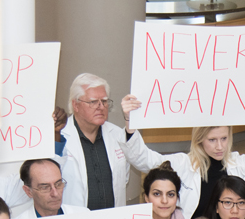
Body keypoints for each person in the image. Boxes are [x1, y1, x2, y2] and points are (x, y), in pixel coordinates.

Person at [117, 95, 245, 219]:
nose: (220, 146)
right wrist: (130, 122)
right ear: (199, 140)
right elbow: (144, 159)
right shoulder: (183, 164)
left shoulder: (239, 163)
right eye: (212, 140)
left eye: (224, 139)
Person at [55, 73, 165, 210]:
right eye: (93, 101)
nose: (101, 106)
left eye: (104, 101)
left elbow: (144, 163)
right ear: (75, 105)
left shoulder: (116, 134)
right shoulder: (59, 137)